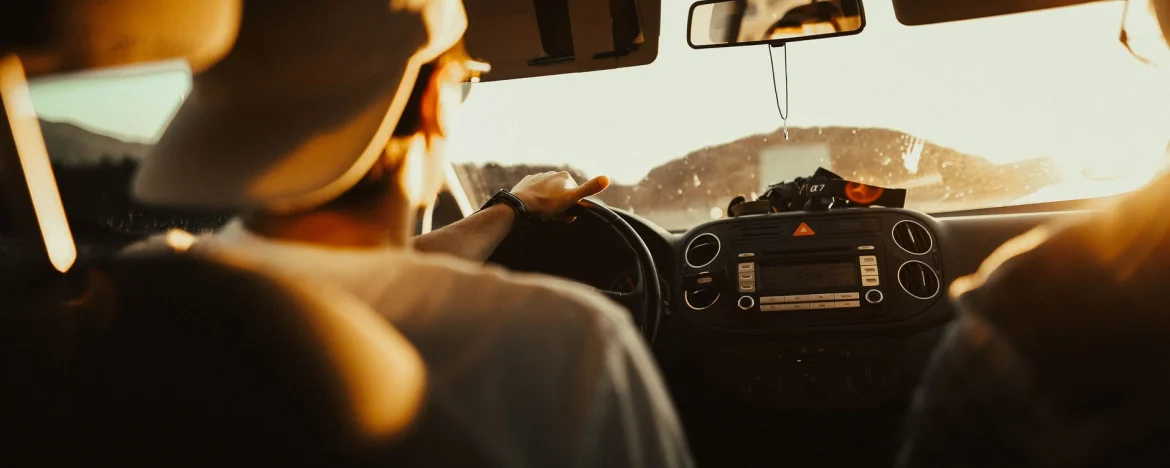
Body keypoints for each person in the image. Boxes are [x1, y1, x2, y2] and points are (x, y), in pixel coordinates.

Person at [129, 0, 693, 467]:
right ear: (434, 105)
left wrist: (514, 208)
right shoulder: (574, 345)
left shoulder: (138, 306)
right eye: (463, 86)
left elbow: (354, 277)